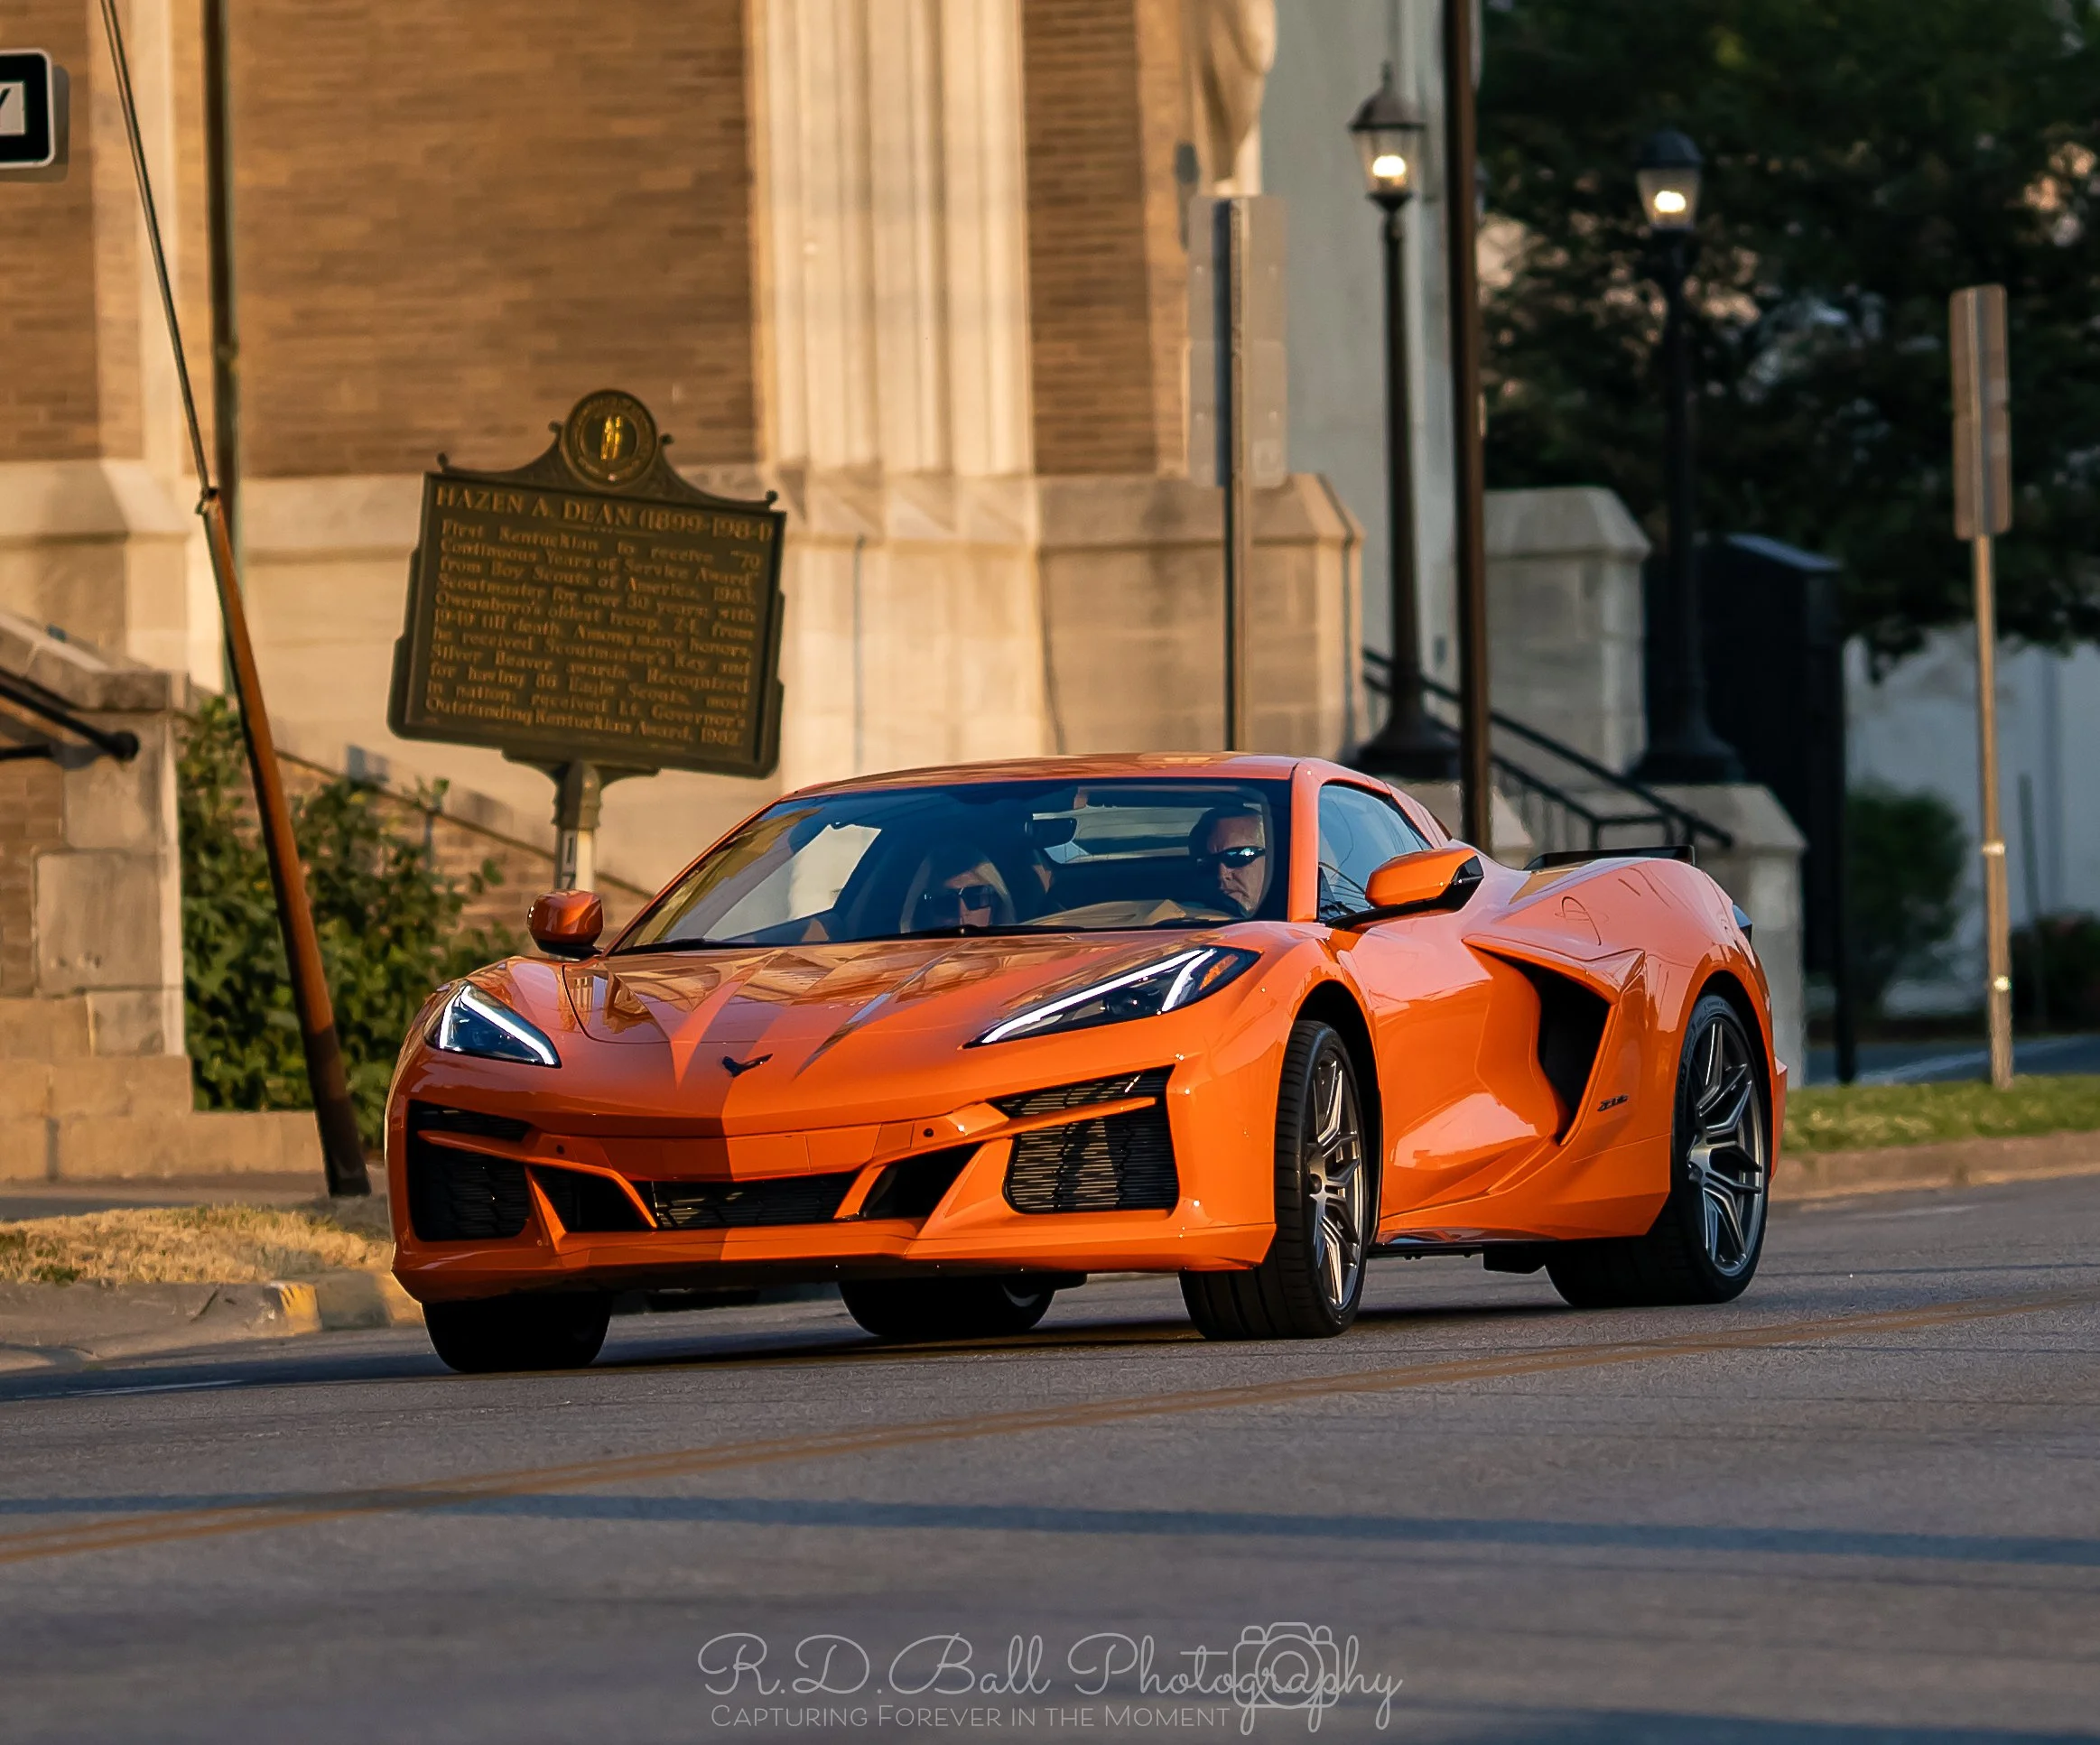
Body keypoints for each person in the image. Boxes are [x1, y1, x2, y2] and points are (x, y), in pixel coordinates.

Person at [904, 839, 1014, 933]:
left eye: (975, 898)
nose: (962, 913)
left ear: (996, 903)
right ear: (928, 912)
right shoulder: (904, 955)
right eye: (947, 903)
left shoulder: (1020, 955)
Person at [1191, 802, 1270, 918]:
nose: (1222, 875)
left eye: (1238, 857)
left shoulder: (1299, 920)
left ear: (1273, 859)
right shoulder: (1183, 920)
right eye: (1208, 863)